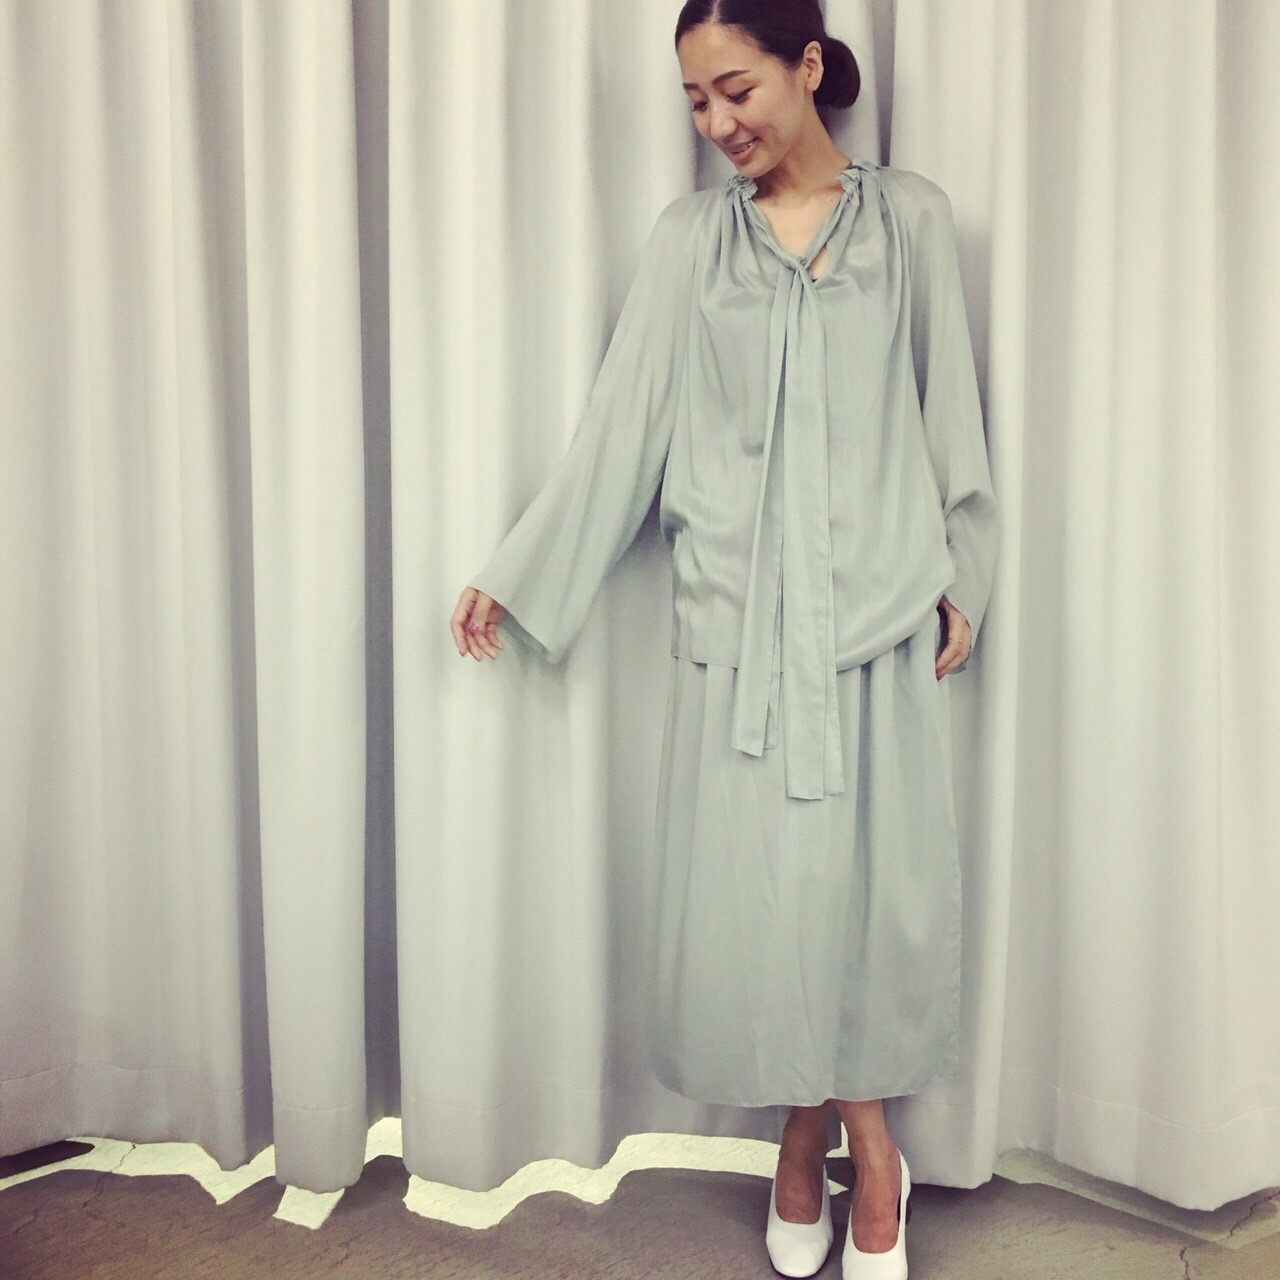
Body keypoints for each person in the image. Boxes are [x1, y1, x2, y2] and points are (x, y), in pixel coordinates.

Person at [451, 2, 998, 1275]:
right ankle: (852, 1147)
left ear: (806, 67)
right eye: (695, 101)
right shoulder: (688, 243)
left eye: (735, 89)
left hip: (873, 626)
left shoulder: (909, 222)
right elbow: (622, 430)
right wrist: (521, 571)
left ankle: (823, 1143)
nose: (716, 123)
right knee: (768, 919)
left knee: (865, 912)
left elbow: (948, 409)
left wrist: (963, 573)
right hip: (739, 643)